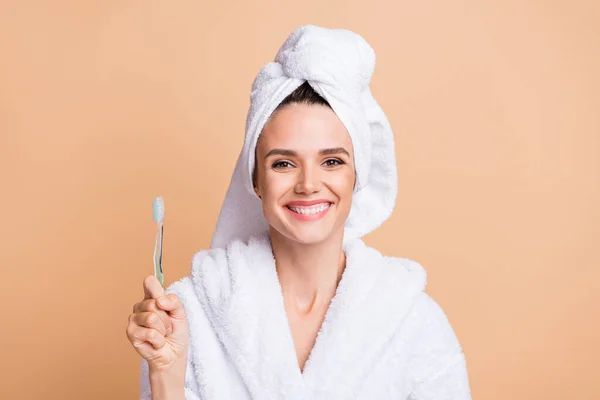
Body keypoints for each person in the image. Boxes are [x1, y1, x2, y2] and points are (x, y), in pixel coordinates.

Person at [126, 25, 472, 399]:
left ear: (358, 175)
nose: (308, 184)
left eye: (332, 161)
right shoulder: (189, 314)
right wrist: (165, 374)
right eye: (283, 164)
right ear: (255, 180)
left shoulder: (413, 321)